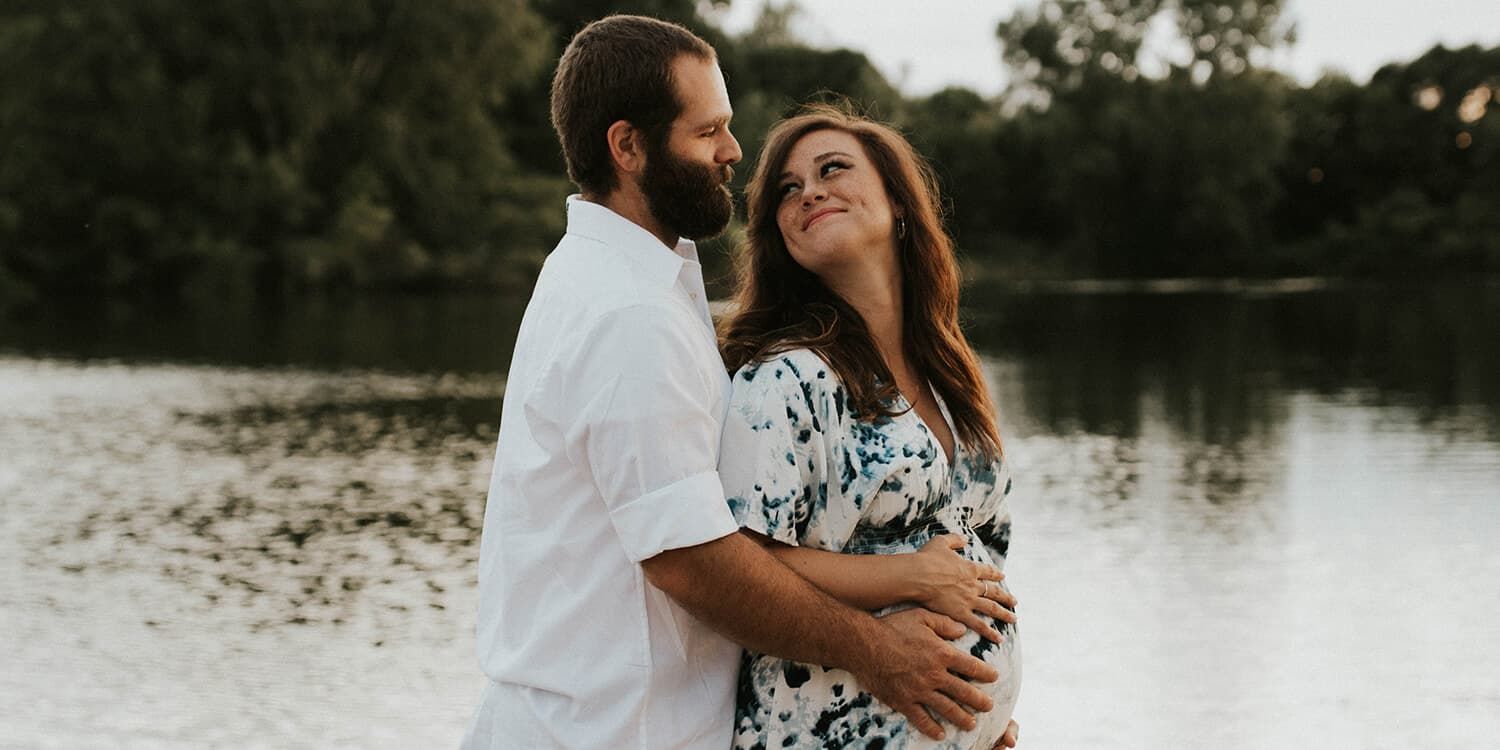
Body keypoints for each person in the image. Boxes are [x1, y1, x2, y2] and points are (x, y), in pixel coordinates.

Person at [462, 16, 1006, 749]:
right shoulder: (627, 313)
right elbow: (694, 563)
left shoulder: (646, 280)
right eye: (707, 130)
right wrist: (887, 659)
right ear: (627, 147)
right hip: (608, 731)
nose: (733, 150)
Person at [716, 104, 1024, 748]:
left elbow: (984, 557)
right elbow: (744, 564)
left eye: (833, 169)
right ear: (781, 236)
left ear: (900, 204)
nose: (811, 192)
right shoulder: (784, 380)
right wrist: (909, 576)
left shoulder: (950, 371)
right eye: (788, 190)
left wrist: (987, 709)